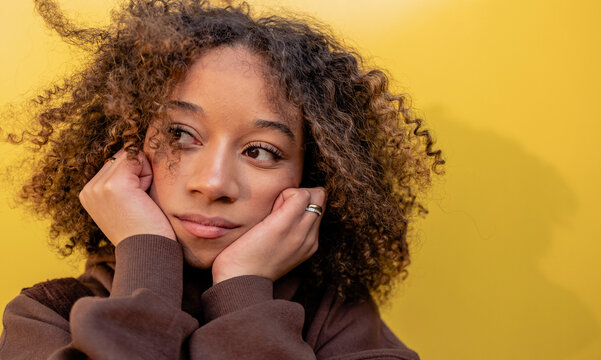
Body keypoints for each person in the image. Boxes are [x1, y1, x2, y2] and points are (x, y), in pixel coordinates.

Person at [0, 0, 444, 359]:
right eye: (180, 135)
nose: (213, 184)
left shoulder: (340, 322)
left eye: (260, 151)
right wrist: (147, 261)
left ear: (311, 178)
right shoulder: (45, 317)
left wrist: (243, 288)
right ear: (124, 146)